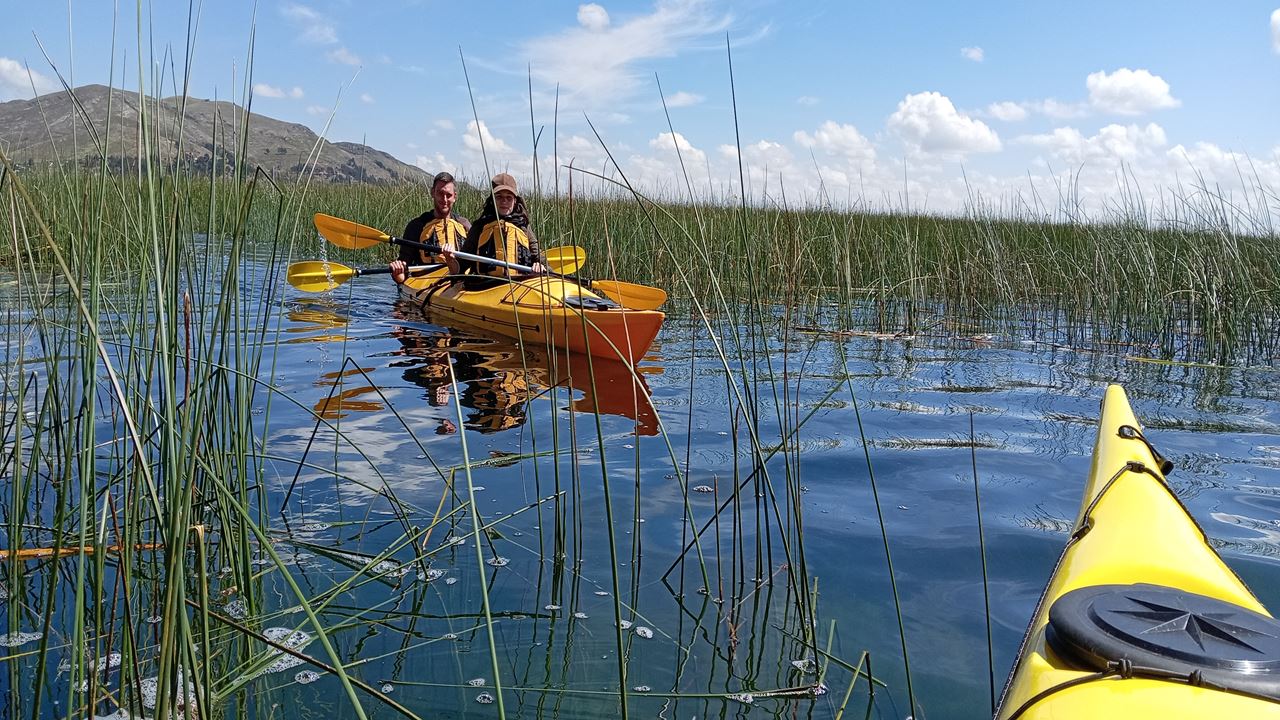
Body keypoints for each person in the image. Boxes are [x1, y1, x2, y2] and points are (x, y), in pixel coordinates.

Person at [448, 173, 545, 278]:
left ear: (515, 200)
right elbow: (460, 268)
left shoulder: (523, 226)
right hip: (485, 286)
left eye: (509, 197)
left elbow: (539, 258)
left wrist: (540, 266)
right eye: (499, 197)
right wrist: (450, 259)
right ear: (492, 200)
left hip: (519, 285)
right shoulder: (479, 227)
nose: (504, 201)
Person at [390, 171, 471, 283]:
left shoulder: (464, 224)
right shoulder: (416, 226)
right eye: (440, 193)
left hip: (459, 281)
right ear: (432, 193)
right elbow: (402, 276)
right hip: (425, 282)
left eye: (449, 195)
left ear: (455, 197)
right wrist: (397, 272)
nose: (444, 200)